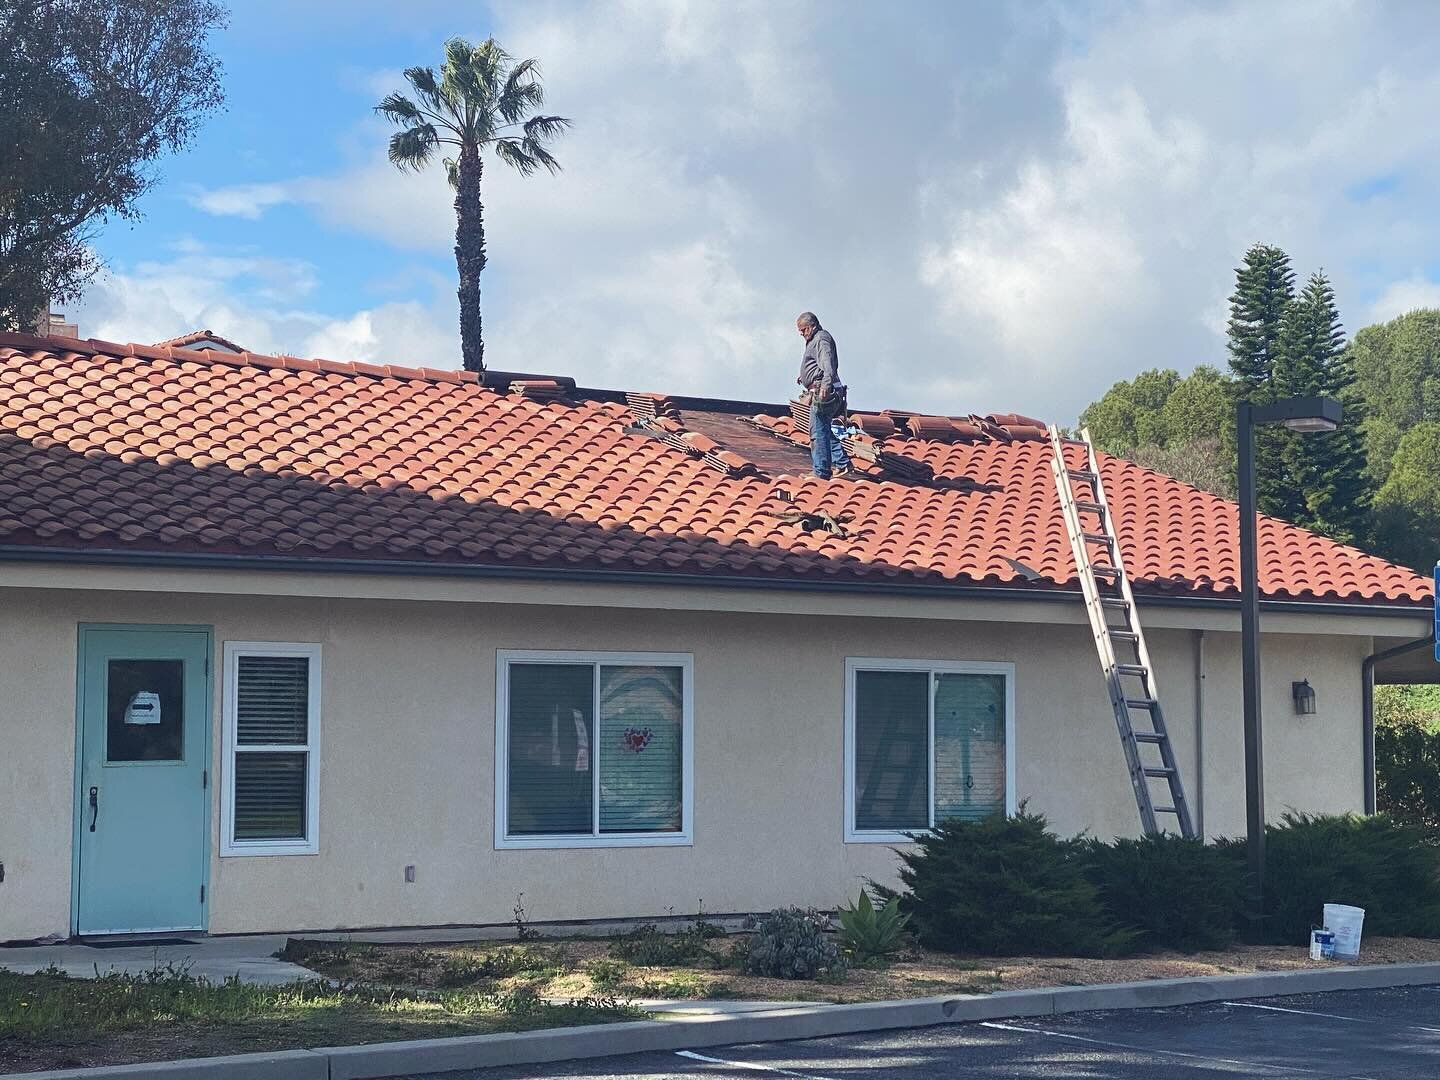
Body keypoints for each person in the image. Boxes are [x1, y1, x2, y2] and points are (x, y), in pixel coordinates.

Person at [795, 311, 851, 478]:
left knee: (817, 431)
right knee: (822, 428)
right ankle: (841, 463)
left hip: (825, 391)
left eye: (803, 330)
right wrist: (805, 376)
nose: (801, 334)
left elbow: (828, 364)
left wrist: (825, 385)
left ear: (812, 326)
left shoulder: (821, 339)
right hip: (821, 388)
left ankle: (821, 472)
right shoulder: (815, 339)